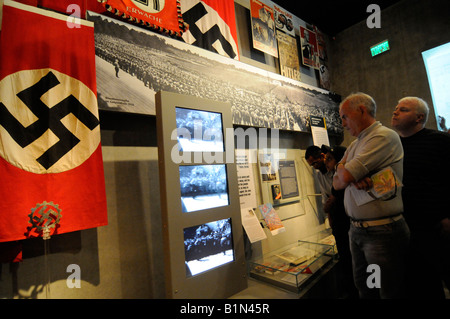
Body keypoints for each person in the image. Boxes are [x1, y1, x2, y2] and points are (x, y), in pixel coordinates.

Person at [333, 92, 410, 299]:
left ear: (361, 110)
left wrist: (345, 170)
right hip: (358, 231)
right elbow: (337, 183)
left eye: (344, 116)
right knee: (367, 288)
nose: (342, 123)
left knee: (388, 292)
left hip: (381, 232)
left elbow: (345, 175)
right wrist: (343, 168)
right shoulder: (355, 143)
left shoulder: (382, 136)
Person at [391, 96, 450, 299]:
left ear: (419, 117)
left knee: (433, 281)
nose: (395, 112)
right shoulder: (391, 145)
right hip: (401, 224)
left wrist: (446, 215)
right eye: (396, 108)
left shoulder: (440, 141)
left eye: (403, 109)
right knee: (411, 282)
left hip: (434, 226)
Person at [321, 144, 358, 299]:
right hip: (342, 229)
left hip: (350, 229)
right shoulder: (337, 181)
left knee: (356, 265)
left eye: (329, 159)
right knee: (348, 264)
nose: (326, 163)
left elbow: (330, 203)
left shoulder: (345, 181)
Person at [305, 145, 332, 223]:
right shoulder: (320, 175)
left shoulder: (336, 170)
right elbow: (325, 197)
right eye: (312, 165)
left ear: (322, 156)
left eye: (315, 163)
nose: (315, 167)